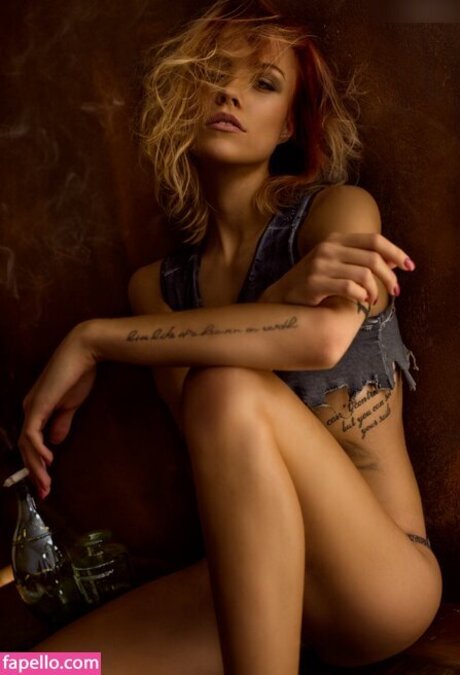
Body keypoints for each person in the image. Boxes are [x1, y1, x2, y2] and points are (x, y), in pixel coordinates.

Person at [19, 1, 442, 673]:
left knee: (225, 385)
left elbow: (321, 339)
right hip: (257, 578)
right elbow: (213, 439)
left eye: (262, 83)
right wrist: (275, 300)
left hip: (377, 580)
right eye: (211, 75)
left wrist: (94, 339)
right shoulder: (156, 290)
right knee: (35, 668)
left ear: (289, 127)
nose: (228, 94)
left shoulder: (337, 213)